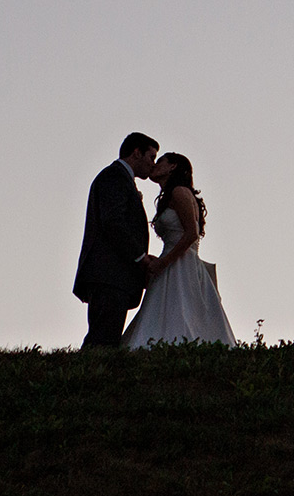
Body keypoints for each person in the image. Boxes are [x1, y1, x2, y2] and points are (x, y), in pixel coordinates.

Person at [122, 151, 237, 347]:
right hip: (170, 260)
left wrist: (164, 262)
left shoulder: (179, 192)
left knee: (181, 313)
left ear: (172, 166)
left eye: (160, 161)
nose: (154, 165)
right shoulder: (170, 195)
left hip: (180, 264)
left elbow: (192, 233)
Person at [73, 132, 158, 349]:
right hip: (109, 275)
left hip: (113, 275)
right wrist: (140, 258)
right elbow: (113, 223)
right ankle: (89, 377)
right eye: (151, 157)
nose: (153, 164)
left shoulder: (119, 178)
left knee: (105, 335)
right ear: (136, 153)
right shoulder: (114, 177)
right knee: (103, 339)